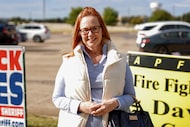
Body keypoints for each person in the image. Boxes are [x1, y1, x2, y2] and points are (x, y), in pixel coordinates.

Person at [52, 6, 135, 127]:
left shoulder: (120, 60)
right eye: (85, 30)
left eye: (95, 28)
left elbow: (131, 96)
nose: (90, 34)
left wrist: (115, 103)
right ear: (79, 33)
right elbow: (57, 98)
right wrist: (80, 106)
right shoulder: (69, 61)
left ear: (102, 30)